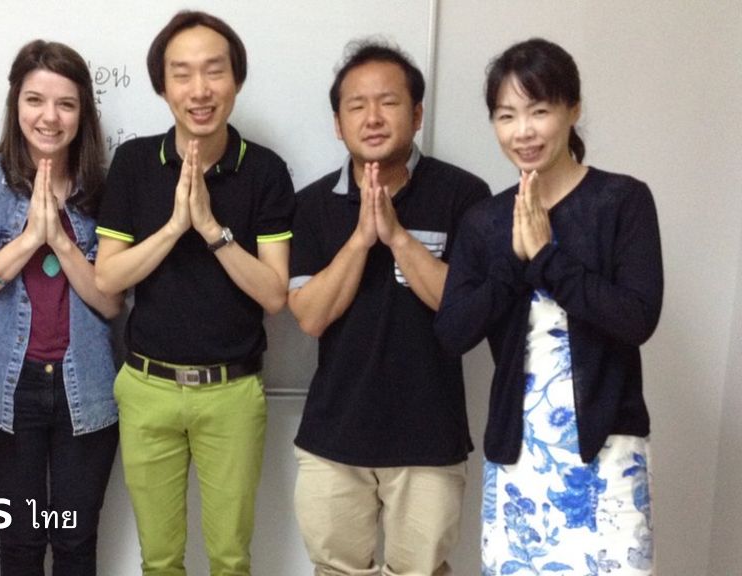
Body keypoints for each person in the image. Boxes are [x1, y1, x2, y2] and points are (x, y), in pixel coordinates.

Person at [435, 38, 662, 575]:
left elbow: (636, 317)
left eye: (539, 111)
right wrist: (513, 263)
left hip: (608, 449)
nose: (523, 131)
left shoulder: (622, 201)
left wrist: (547, 258)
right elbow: (452, 332)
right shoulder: (486, 222)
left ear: (572, 110)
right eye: (506, 115)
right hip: (519, 452)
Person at [94, 10, 295, 576]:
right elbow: (108, 277)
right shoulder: (135, 162)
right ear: (163, 86)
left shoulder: (265, 170)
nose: (199, 90)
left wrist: (211, 230)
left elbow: (274, 294)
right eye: (182, 74)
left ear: (237, 79)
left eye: (214, 71)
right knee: (159, 561)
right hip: (146, 387)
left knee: (230, 559)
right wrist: (173, 227)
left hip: (231, 393)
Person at [287, 40, 489, 576]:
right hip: (334, 434)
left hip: (430, 435)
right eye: (357, 105)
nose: (372, 117)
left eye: (388, 102)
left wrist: (398, 237)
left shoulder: (465, 195)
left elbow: (466, 311)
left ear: (417, 114)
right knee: (335, 570)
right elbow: (310, 316)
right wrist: (359, 240)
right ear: (338, 124)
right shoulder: (310, 205)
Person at [0, 40, 121, 576]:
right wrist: (26, 242)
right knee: (20, 544)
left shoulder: (104, 186)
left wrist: (60, 240)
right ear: (15, 103)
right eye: (35, 100)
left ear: (83, 113)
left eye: (65, 104)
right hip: (6, 390)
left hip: (86, 389)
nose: (49, 117)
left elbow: (111, 302)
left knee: (75, 543)